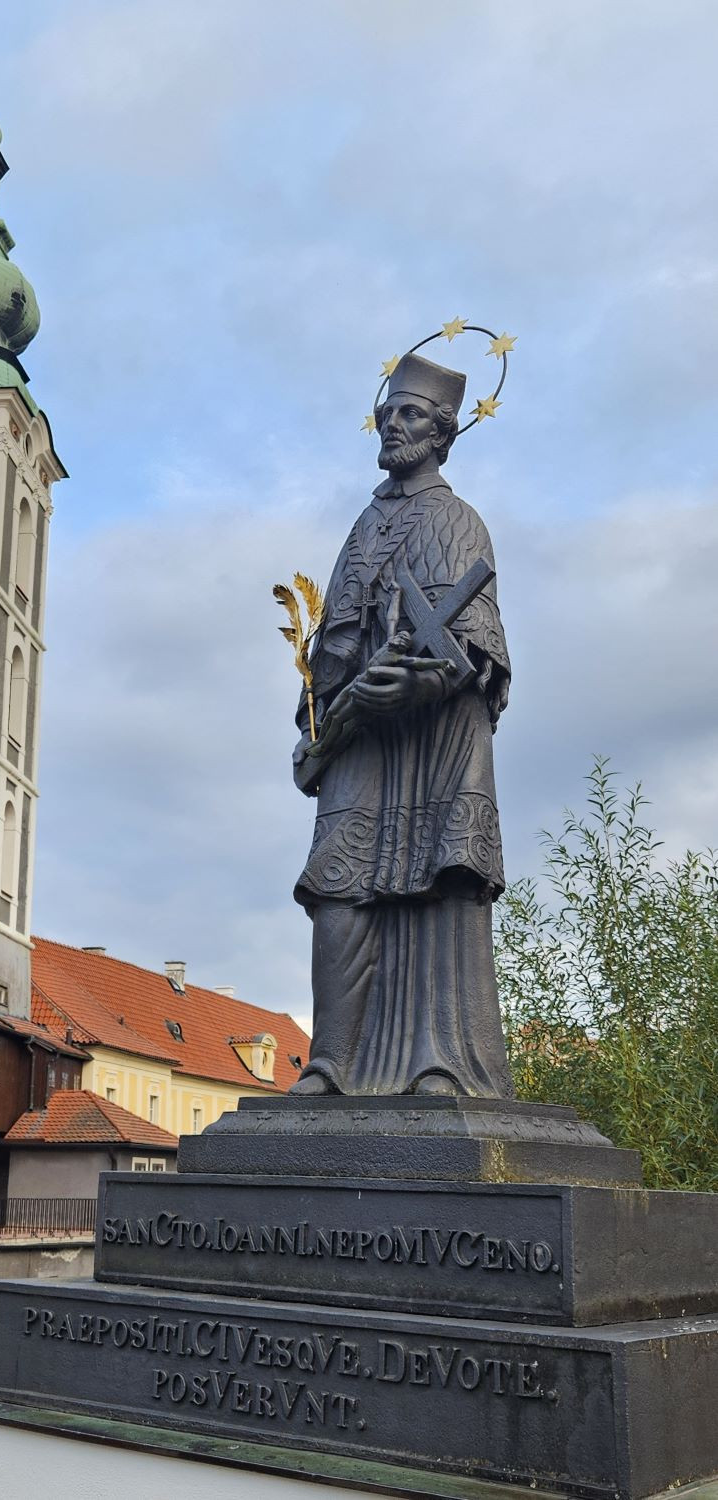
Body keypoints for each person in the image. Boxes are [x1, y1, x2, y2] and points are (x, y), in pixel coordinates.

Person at [291, 352, 514, 1098]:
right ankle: (330, 1062)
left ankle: (438, 1064)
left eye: (410, 414)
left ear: (443, 431)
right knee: (337, 887)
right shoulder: (363, 524)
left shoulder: (458, 521)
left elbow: (476, 650)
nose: (392, 424)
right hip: (360, 732)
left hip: (433, 739)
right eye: (387, 413)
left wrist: (417, 679)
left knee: (437, 887)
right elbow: (331, 641)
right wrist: (325, 713)